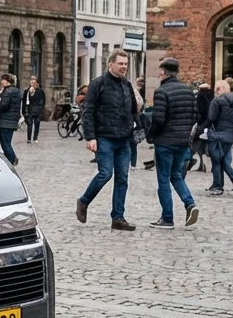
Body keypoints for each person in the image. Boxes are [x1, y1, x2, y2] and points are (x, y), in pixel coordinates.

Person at [77, 50, 140, 231]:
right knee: (105, 173)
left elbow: (133, 111)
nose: (124, 67)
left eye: (126, 64)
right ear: (110, 64)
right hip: (104, 136)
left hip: (124, 138)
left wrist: (138, 128)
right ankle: (83, 201)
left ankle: (118, 218)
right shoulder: (98, 84)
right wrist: (90, 137)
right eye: (120, 64)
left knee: (123, 178)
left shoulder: (127, 85)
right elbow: (88, 111)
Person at [144, 58, 200, 229]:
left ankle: (167, 218)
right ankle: (189, 203)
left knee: (163, 179)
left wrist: (150, 135)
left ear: (162, 72)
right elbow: (195, 116)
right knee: (176, 175)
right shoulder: (188, 90)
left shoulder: (162, 91)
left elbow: (158, 118)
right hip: (182, 141)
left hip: (165, 142)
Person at [206, 80, 233, 196]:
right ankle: (220, 183)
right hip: (230, 133)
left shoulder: (217, 101)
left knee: (216, 160)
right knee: (222, 159)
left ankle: (223, 184)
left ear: (218, 89)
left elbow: (211, 117)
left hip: (217, 133)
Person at [0, 74, 22, 165]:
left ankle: (12, 159)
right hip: (13, 120)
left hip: (5, 121)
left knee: (4, 142)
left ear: (7, 81)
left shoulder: (7, 92)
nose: (2, 82)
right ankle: (9, 159)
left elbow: (4, 105)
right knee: (8, 141)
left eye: (3, 80)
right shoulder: (17, 91)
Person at [22, 76, 46, 144]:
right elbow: (24, 101)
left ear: (36, 83)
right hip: (29, 110)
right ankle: (29, 138)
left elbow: (43, 100)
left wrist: (41, 109)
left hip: (37, 110)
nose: (32, 83)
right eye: (31, 82)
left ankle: (35, 138)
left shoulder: (40, 91)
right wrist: (23, 111)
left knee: (37, 125)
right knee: (29, 125)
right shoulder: (27, 91)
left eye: (34, 82)